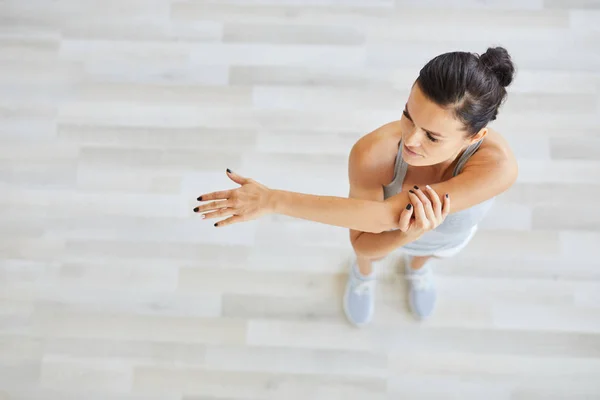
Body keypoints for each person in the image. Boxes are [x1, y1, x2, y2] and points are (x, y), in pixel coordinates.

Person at [193, 47, 519, 326]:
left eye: (432, 136)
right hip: (391, 236)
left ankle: (416, 270)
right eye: (408, 116)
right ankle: (363, 276)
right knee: (366, 258)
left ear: (475, 137)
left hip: (447, 240)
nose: (410, 139)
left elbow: (387, 214)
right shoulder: (373, 153)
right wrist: (409, 232)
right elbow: (364, 242)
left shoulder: (498, 165)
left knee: (427, 256)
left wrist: (273, 200)